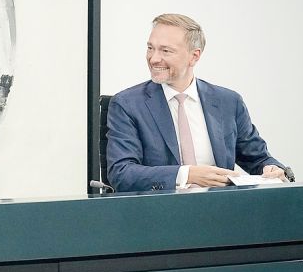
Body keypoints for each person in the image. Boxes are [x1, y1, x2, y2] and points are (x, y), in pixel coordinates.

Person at [106, 13, 287, 192]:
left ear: (194, 56)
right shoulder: (127, 104)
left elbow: (258, 159)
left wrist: (272, 169)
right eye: (150, 48)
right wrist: (187, 175)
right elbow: (121, 174)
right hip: (160, 214)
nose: (153, 58)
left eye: (165, 51)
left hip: (221, 211)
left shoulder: (229, 102)